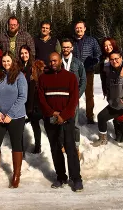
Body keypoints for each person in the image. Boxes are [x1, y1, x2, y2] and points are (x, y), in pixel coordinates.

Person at [38, 52, 83, 192]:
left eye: (55, 61)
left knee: (71, 148)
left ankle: (76, 178)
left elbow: (74, 99)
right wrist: (52, 113)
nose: (53, 63)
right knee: (55, 148)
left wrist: (64, 115)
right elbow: (41, 99)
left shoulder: (70, 77)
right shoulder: (43, 78)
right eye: (51, 61)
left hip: (67, 119)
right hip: (50, 118)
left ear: (60, 61)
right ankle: (61, 176)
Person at [92, 51, 123, 166]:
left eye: (117, 59)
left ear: (121, 59)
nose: (114, 61)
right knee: (102, 116)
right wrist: (111, 99)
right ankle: (103, 139)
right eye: (112, 59)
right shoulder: (111, 72)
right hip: (118, 104)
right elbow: (110, 87)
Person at [0, 52, 28, 188]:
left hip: (15, 117)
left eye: (8, 61)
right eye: (4, 61)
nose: (6, 63)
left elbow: (23, 97)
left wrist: (10, 114)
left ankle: (16, 174)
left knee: (16, 144)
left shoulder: (19, 76)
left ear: (13, 61)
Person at [100, 37, 123, 142]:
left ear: (113, 45)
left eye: (109, 45)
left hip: (119, 85)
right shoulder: (103, 58)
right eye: (105, 45)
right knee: (113, 106)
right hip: (109, 86)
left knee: (119, 107)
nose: (107, 47)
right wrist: (104, 88)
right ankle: (118, 131)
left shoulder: (118, 53)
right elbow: (102, 75)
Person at [61, 38, 86, 154]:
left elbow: (84, 80)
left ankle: (76, 146)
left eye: (68, 47)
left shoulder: (77, 63)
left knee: (74, 124)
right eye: (64, 47)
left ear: (72, 48)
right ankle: (63, 144)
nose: (65, 49)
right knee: (62, 122)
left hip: (73, 98)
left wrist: (77, 95)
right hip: (61, 98)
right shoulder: (58, 62)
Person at [73, 21, 101, 123]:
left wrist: (94, 61)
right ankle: (73, 115)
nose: (79, 30)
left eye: (81, 28)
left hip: (88, 71)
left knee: (89, 95)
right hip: (75, 72)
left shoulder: (91, 40)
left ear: (85, 28)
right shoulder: (72, 41)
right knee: (74, 94)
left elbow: (98, 53)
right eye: (77, 28)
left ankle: (90, 116)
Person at [18, 45, 44, 154]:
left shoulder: (35, 66)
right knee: (19, 125)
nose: (24, 55)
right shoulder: (18, 67)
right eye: (22, 53)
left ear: (29, 53)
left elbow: (40, 83)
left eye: (26, 53)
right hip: (21, 99)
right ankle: (20, 148)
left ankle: (38, 145)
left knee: (35, 123)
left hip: (33, 99)